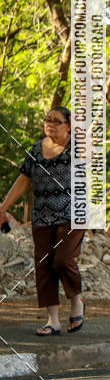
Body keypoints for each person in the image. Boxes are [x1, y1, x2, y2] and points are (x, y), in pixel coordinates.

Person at [0, 107, 86, 335]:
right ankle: (53, 320)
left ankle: (77, 301)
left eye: (56, 121)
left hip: (72, 216)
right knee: (44, 265)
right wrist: (3, 208)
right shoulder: (36, 151)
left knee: (63, 259)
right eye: (47, 119)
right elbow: (23, 180)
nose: (49, 123)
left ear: (68, 126)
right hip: (41, 217)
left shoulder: (78, 149)